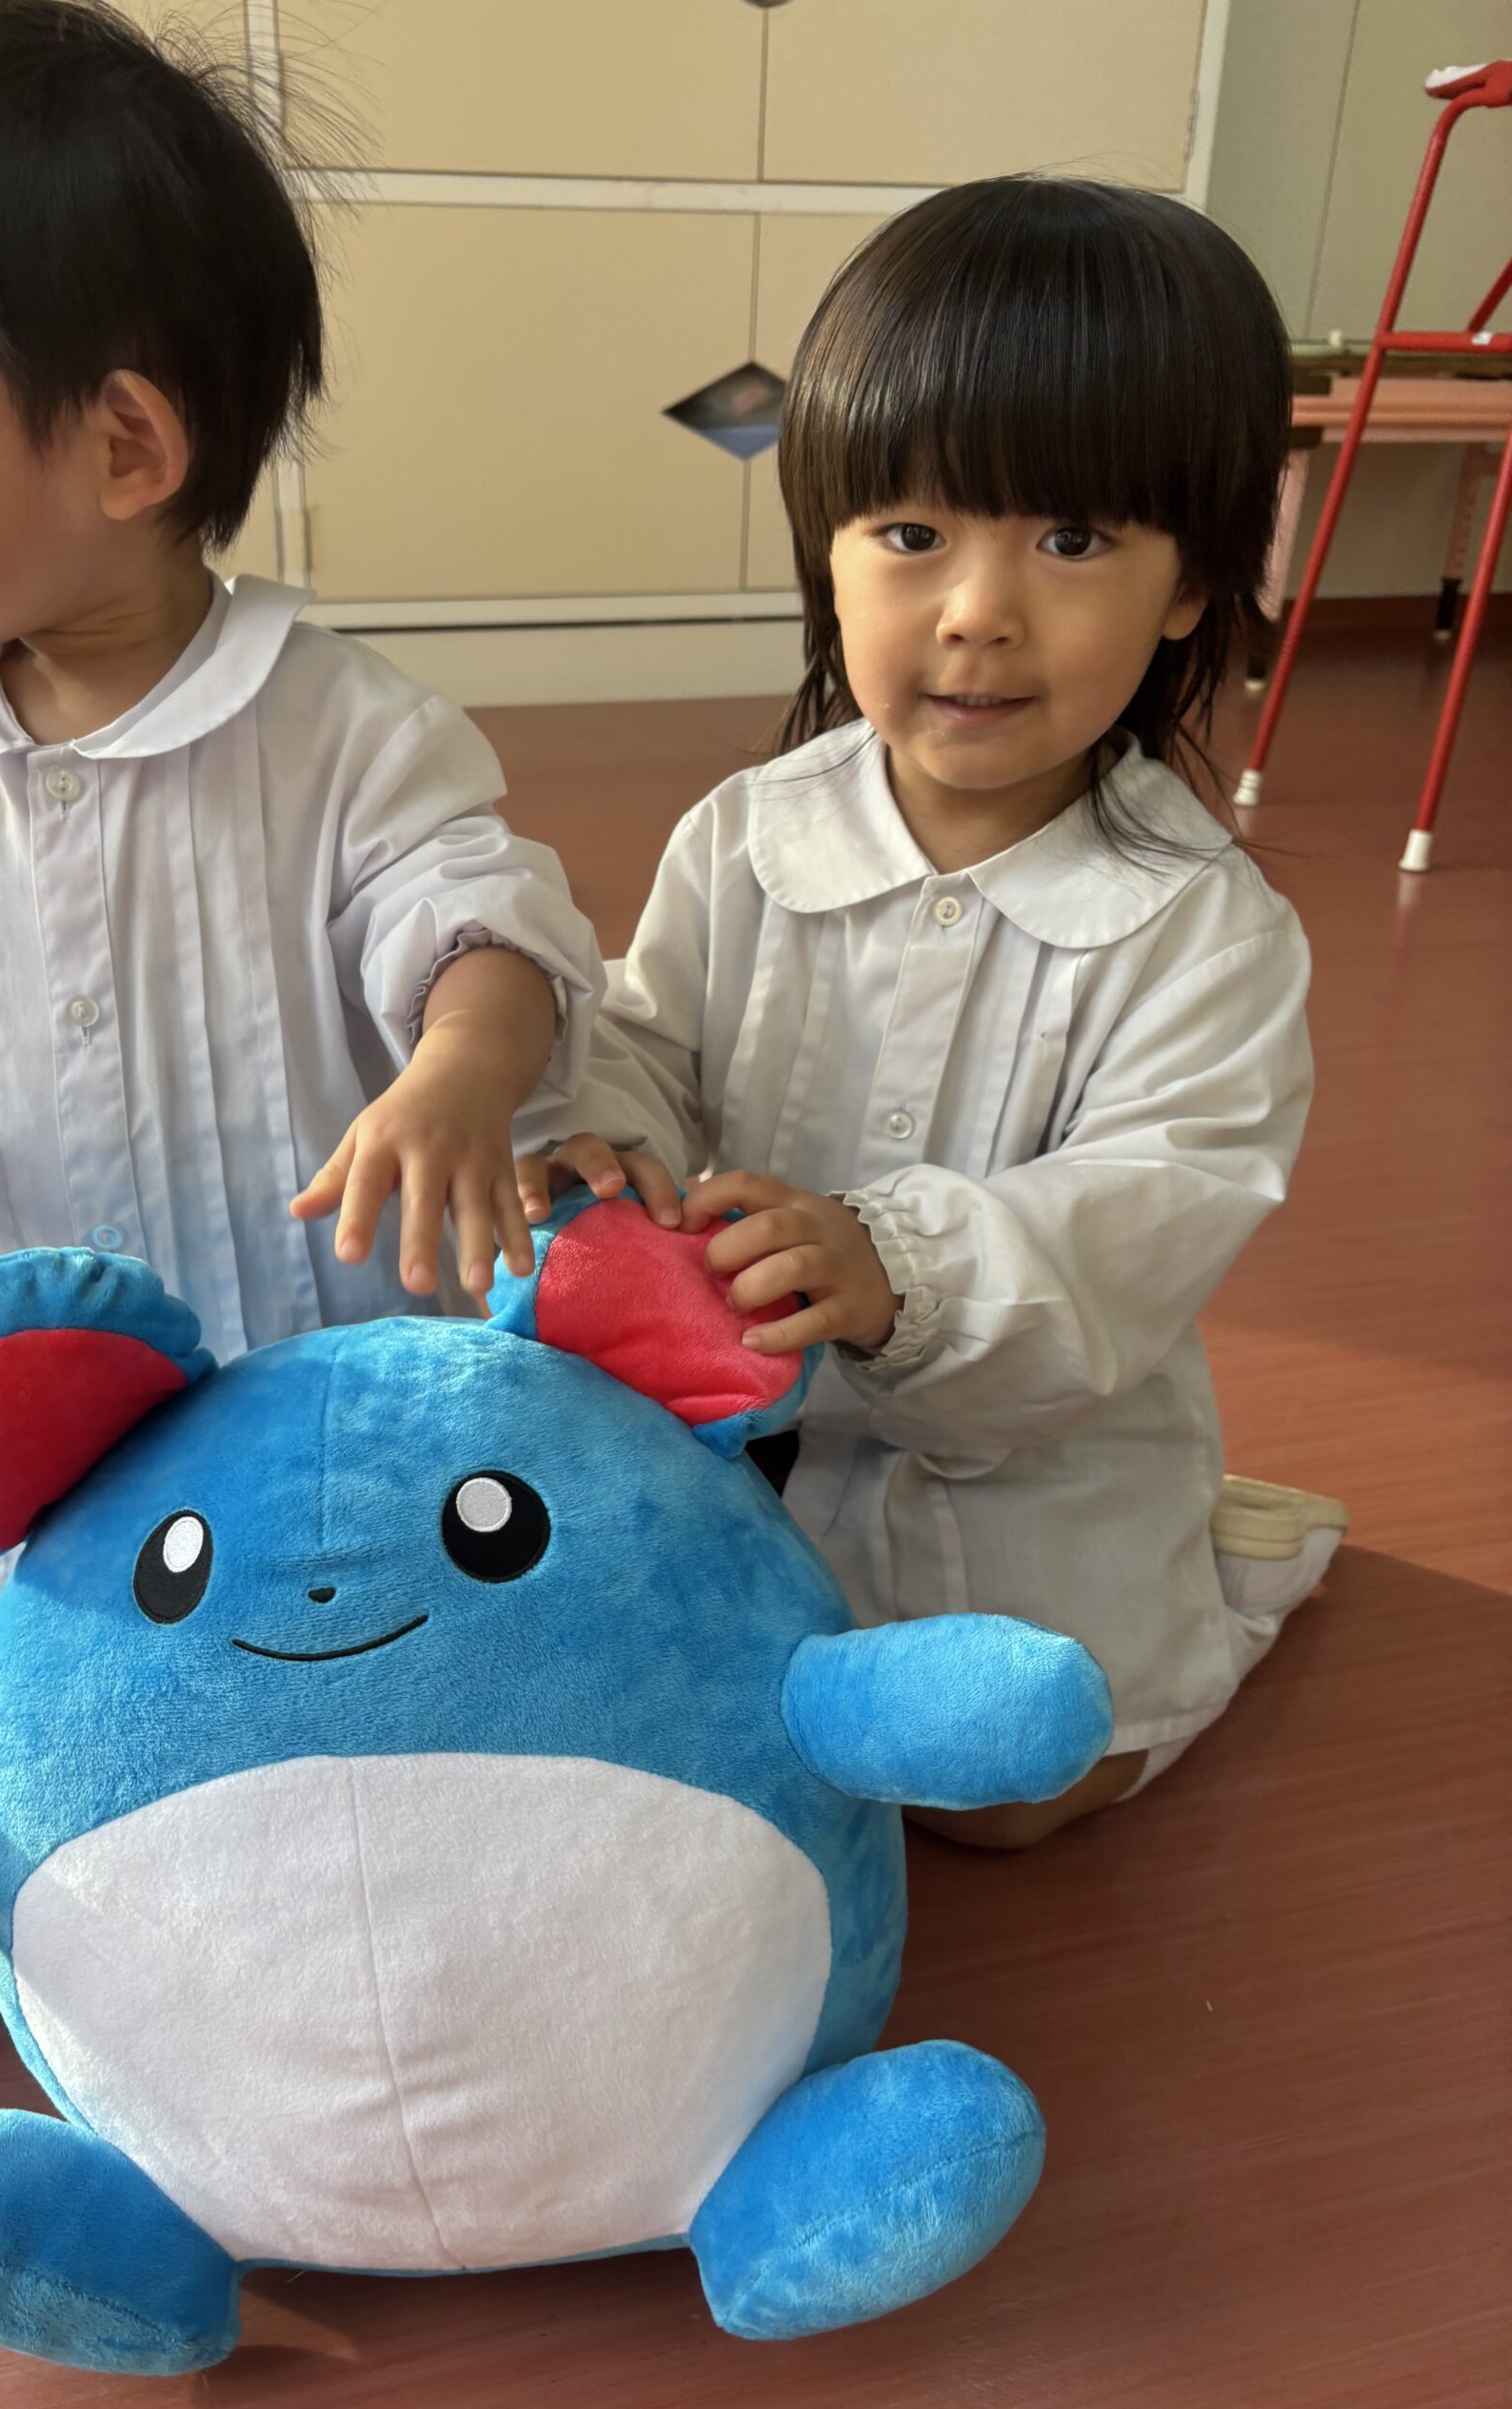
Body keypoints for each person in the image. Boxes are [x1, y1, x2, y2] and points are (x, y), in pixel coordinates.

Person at [0, 1, 604, 1679]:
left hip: (321, 1394)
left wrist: (459, 1074)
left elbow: (479, 924)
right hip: (44, 1417)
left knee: (360, 1665)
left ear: (125, 445)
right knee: (71, 1687)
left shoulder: (341, 731)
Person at [522, 178, 1346, 1845]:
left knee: (1007, 1800)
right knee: (649, 1705)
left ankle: (1238, 1580)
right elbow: (647, 1040)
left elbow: (1143, 1212)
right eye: (911, 536)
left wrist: (896, 1269)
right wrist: (599, 1138)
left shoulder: (1207, 935)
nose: (977, 609)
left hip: (1032, 1452)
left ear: (1193, 582)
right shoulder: (749, 835)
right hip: (746, 1427)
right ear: (827, 552)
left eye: (1073, 539)